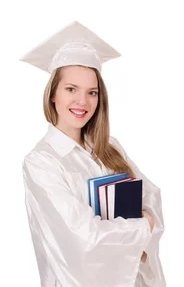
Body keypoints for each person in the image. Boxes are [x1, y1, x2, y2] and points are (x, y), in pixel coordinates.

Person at [20, 21, 165, 286]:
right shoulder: (42, 162)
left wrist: (144, 223)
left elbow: (151, 197)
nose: (82, 102)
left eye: (92, 92)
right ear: (53, 94)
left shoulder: (111, 147)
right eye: (71, 89)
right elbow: (83, 237)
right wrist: (143, 227)